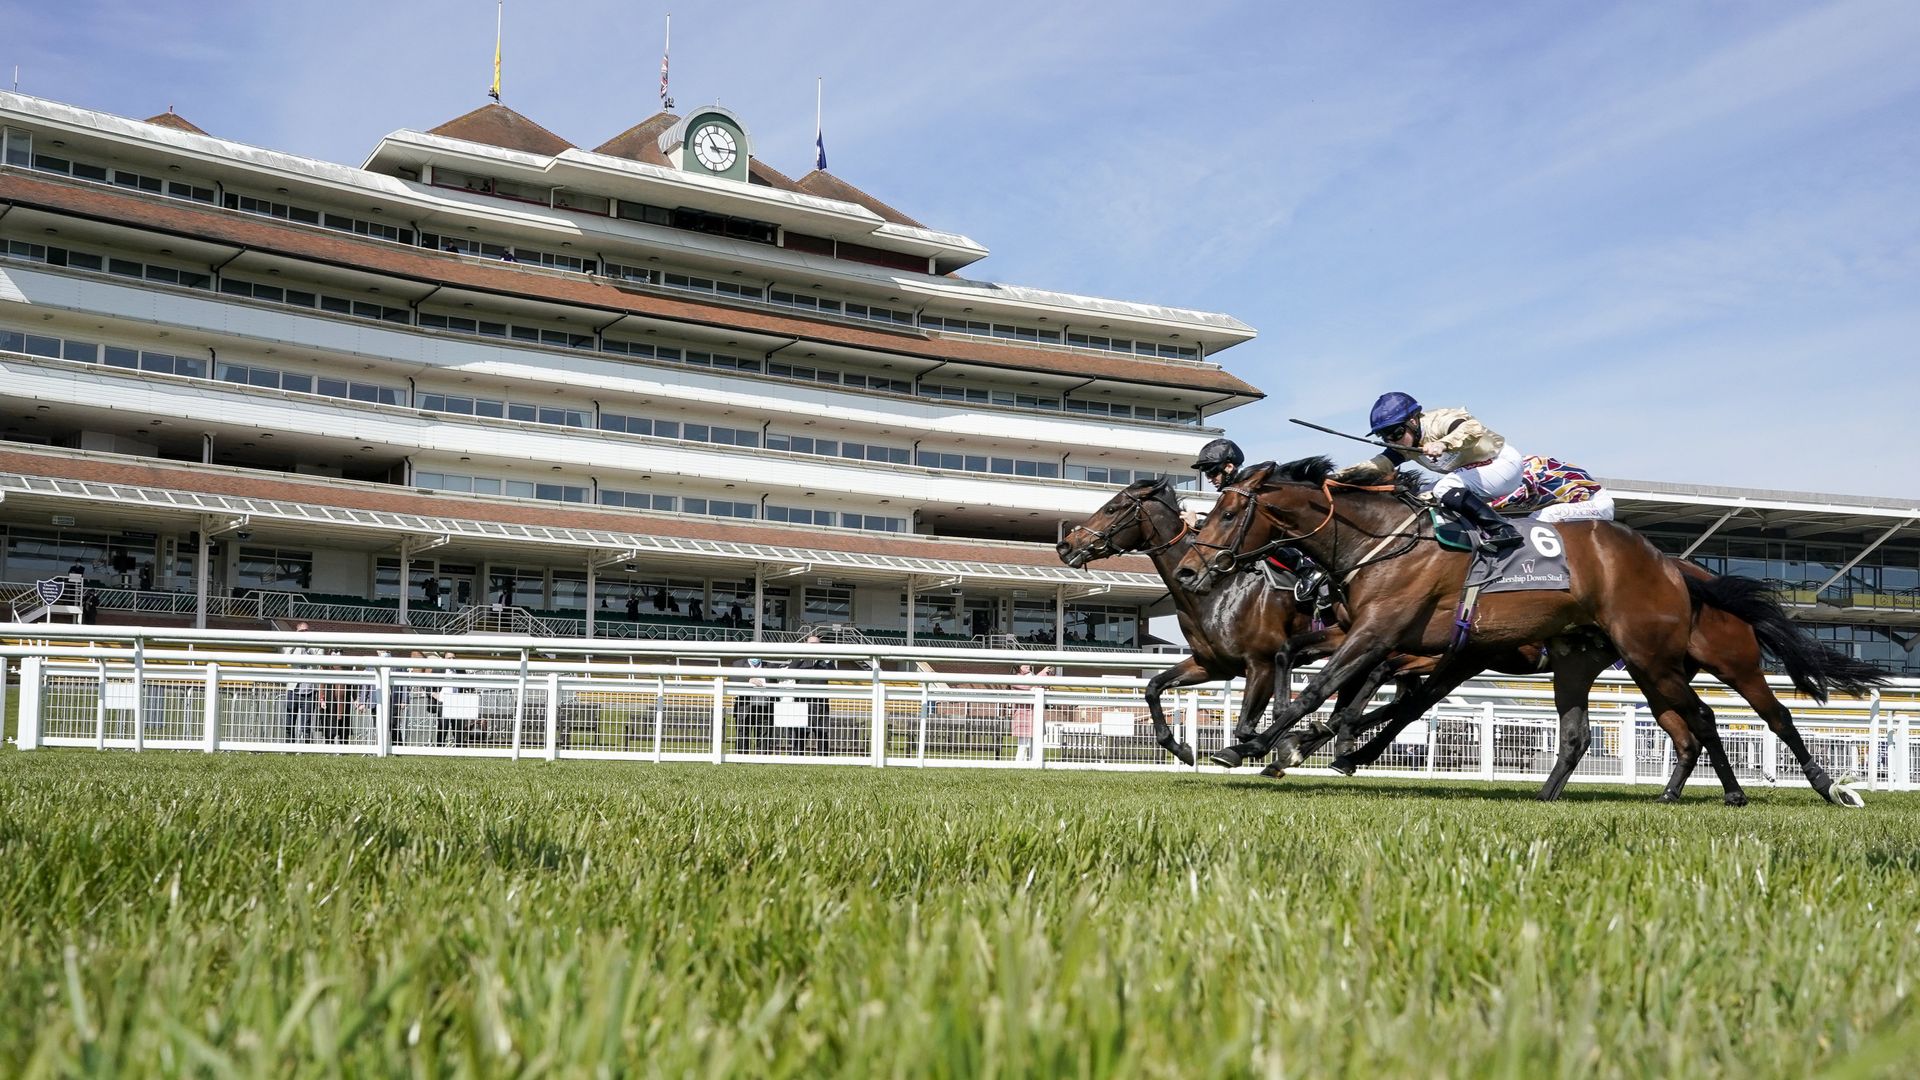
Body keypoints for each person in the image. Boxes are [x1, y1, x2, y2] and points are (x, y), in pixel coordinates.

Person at [1333, 392, 1525, 553]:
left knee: (1445, 487)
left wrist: (1443, 443)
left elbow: (1471, 428)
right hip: (1476, 474)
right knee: (1416, 496)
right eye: (1384, 437)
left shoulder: (1439, 421)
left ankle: (1503, 529)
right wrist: (1336, 476)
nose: (1392, 440)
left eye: (1396, 433)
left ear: (1413, 421)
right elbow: (1378, 465)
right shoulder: (1405, 444)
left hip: (1502, 464)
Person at [282, 622, 322, 743]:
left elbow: (320, 661)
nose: (304, 633)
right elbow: (286, 659)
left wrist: (308, 647)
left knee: (307, 722)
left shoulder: (317, 644)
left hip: (309, 690)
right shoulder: (292, 644)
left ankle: (306, 746)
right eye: (301, 631)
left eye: (306, 631)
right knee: (290, 719)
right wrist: (296, 642)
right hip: (293, 689)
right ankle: (289, 745)